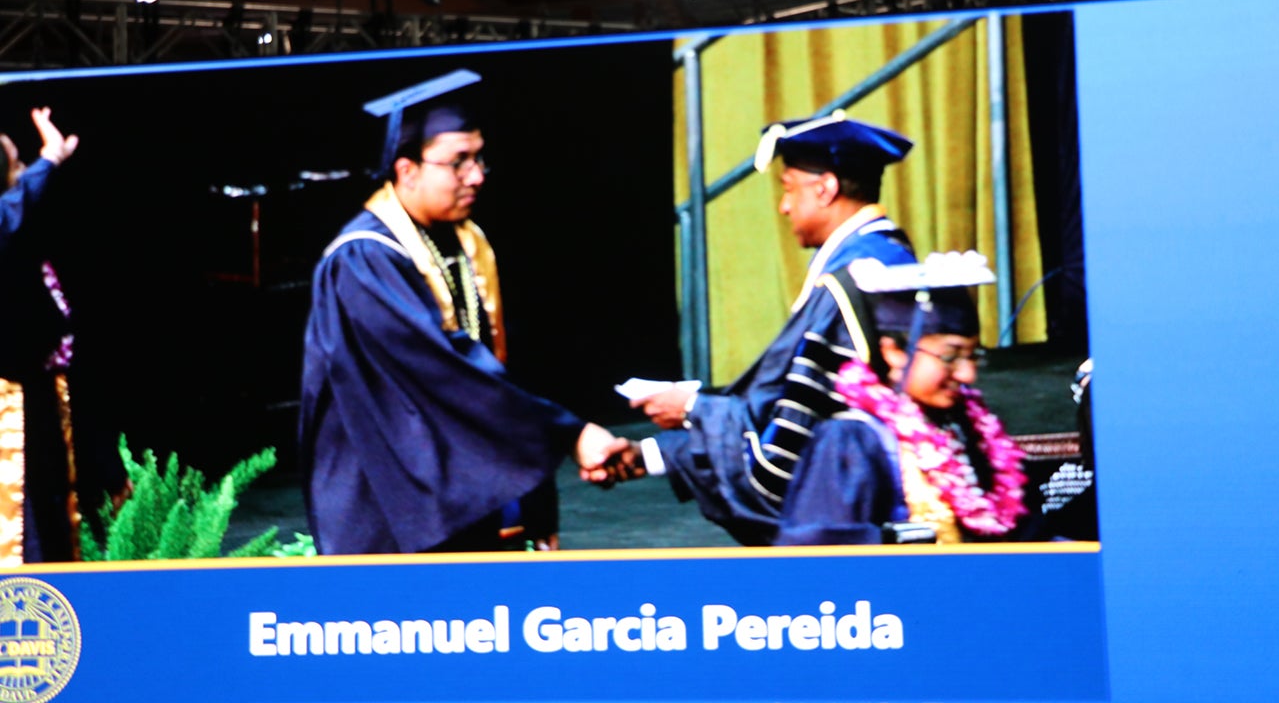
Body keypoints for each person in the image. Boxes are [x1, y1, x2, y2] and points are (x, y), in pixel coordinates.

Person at [298, 70, 620, 555]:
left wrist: (533, 496)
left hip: (455, 493)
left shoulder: (465, 244)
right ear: (406, 170)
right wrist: (568, 434)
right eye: (458, 162)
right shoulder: (363, 260)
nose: (476, 174)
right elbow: (444, 373)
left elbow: (493, 372)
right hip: (388, 504)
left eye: (479, 157)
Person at [624, 111, 918, 545]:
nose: (783, 206)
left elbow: (791, 433)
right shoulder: (884, 254)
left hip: (853, 510)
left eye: (788, 188)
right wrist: (650, 454)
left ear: (825, 189)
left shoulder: (851, 277)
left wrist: (692, 409)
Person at [608, 253, 1036, 545]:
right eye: (950, 357)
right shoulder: (850, 440)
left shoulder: (962, 427)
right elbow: (821, 561)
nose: (967, 374)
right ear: (891, 351)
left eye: (973, 355)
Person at [0, 107, 94, 563]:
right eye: (14, 164)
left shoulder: (18, 250)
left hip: (32, 402)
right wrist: (49, 159)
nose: (20, 172)